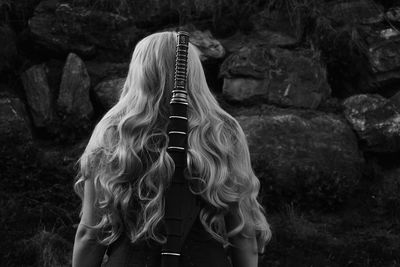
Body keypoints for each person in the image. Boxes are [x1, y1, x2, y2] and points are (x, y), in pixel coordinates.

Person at [72, 31, 272, 267]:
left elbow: (91, 234)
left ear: (140, 72)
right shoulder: (223, 131)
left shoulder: (113, 131)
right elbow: (242, 233)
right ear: (195, 74)